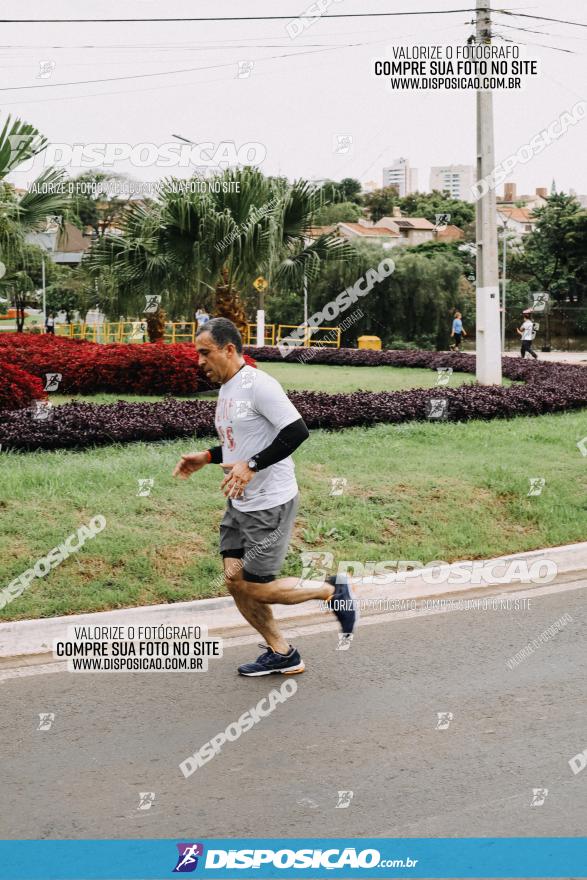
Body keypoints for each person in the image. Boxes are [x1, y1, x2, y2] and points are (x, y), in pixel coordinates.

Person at [172, 317, 356, 676]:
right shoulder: (228, 389)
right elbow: (239, 443)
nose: (199, 361)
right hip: (240, 502)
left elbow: (297, 431)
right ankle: (283, 653)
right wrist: (208, 457)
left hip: (269, 503)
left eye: (205, 353)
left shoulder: (258, 385)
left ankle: (331, 591)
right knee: (234, 580)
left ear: (229, 349)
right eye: (197, 353)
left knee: (258, 587)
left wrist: (252, 466)